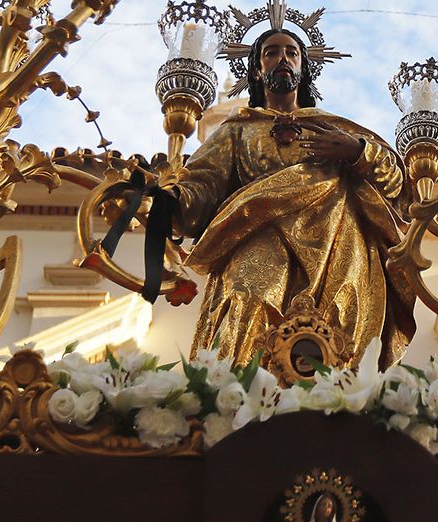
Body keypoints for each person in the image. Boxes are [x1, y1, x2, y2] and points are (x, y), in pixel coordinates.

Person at [164, 26, 417, 367]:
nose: (282, 58)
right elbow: (201, 190)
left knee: (338, 333)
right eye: (271, 52)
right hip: (259, 240)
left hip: (337, 246)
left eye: (291, 52)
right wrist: (169, 200)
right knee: (246, 302)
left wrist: (357, 151)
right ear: (257, 70)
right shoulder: (237, 131)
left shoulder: (333, 127)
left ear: (303, 68)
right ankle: (233, 396)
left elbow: (397, 186)